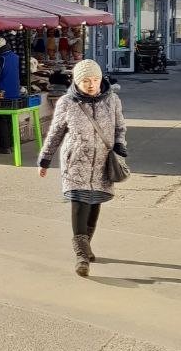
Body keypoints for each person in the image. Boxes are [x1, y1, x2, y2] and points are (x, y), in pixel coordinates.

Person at [37, 59, 127, 277]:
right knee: (80, 202)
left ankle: (86, 245)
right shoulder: (67, 102)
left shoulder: (112, 100)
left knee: (95, 202)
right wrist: (45, 159)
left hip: (102, 162)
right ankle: (81, 255)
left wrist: (120, 147)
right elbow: (56, 132)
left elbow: (119, 127)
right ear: (77, 82)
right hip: (76, 160)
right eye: (85, 80)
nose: (91, 84)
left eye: (95, 80)